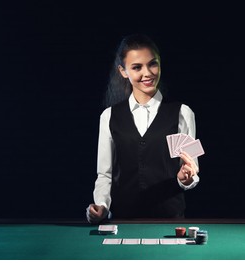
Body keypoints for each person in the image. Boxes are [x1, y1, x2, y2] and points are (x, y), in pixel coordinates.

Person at [86, 33, 200, 224]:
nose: (147, 73)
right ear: (123, 71)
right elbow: (104, 174)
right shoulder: (108, 116)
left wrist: (186, 179)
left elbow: (192, 172)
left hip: (169, 222)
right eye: (137, 67)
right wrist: (102, 206)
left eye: (152, 64)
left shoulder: (183, 112)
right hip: (123, 221)